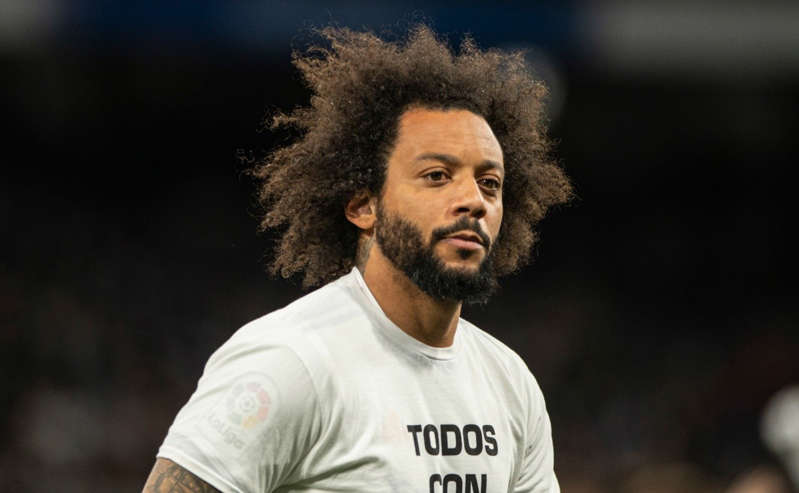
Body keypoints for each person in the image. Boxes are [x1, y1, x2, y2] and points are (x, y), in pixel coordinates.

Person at [143, 24, 572, 493]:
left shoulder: (511, 384)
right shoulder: (292, 360)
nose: (473, 200)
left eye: (489, 183)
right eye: (436, 175)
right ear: (364, 206)